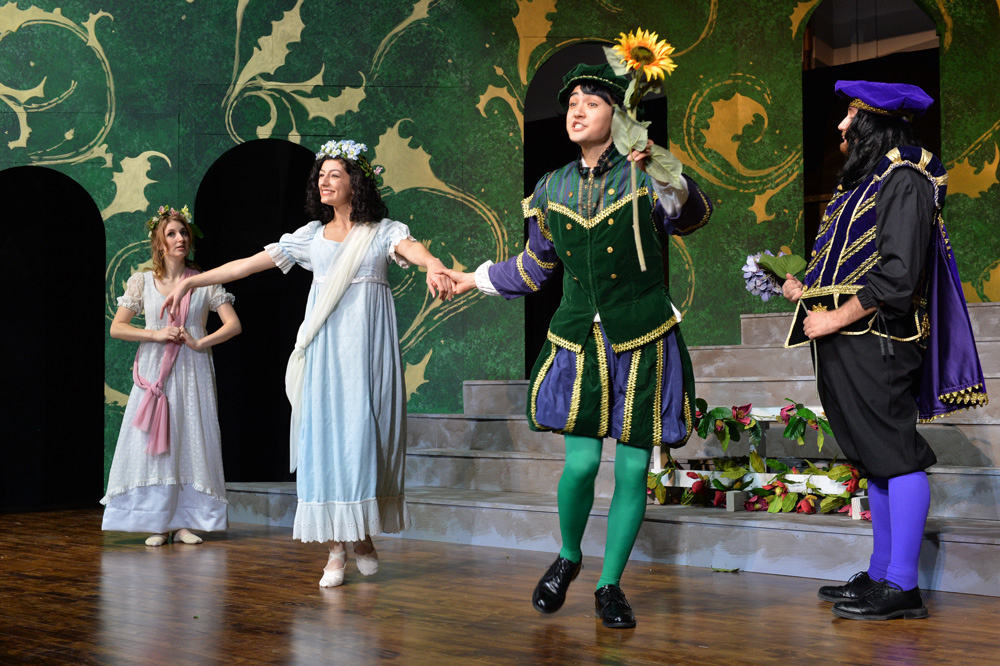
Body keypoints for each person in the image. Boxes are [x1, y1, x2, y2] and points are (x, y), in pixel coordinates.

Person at [444, 63, 712, 628]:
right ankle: (569, 555)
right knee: (583, 464)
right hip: (579, 339)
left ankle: (610, 584)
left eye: (590, 102)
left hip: (643, 335)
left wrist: (662, 169)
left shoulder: (644, 175)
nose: (576, 110)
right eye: (571, 103)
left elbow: (689, 215)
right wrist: (473, 278)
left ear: (617, 114)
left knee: (634, 472)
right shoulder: (552, 186)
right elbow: (537, 265)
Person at [161, 140, 454, 587]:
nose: (323, 181)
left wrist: (434, 265)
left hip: (368, 352)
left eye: (334, 174)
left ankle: (362, 538)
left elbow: (415, 250)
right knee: (327, 440)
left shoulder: (382, 231)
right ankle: (337, 549)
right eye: (320, 175)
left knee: (363, 438)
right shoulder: (310, 237)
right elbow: (246, 266)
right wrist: (194, 280)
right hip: (325, 351)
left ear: (355, 182)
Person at [782, 80, 988, 620]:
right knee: (876, 458)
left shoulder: (906, 178)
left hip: (881, 340)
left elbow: (897, 278)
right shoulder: (866, 183)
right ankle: (880, 574)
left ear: (875, 123)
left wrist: (834, 317)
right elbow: (852, 263)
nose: (842, 127)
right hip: (850, 340)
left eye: (851, 116)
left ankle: (903, 586)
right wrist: (806, 290)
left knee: (895, 454)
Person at [103, 205, 242, 546]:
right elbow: (117, 328)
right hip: (155, 370)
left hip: (192, 369)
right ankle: (157, 522)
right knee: (154, 441)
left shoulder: (204, 281)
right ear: (159, 243)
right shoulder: (143, 281)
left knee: (189, 435)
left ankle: (185, 522)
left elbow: (234, 324)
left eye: (183, 233)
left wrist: (198, 340)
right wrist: (157, 334)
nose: (180, 238)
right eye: (172, 233)